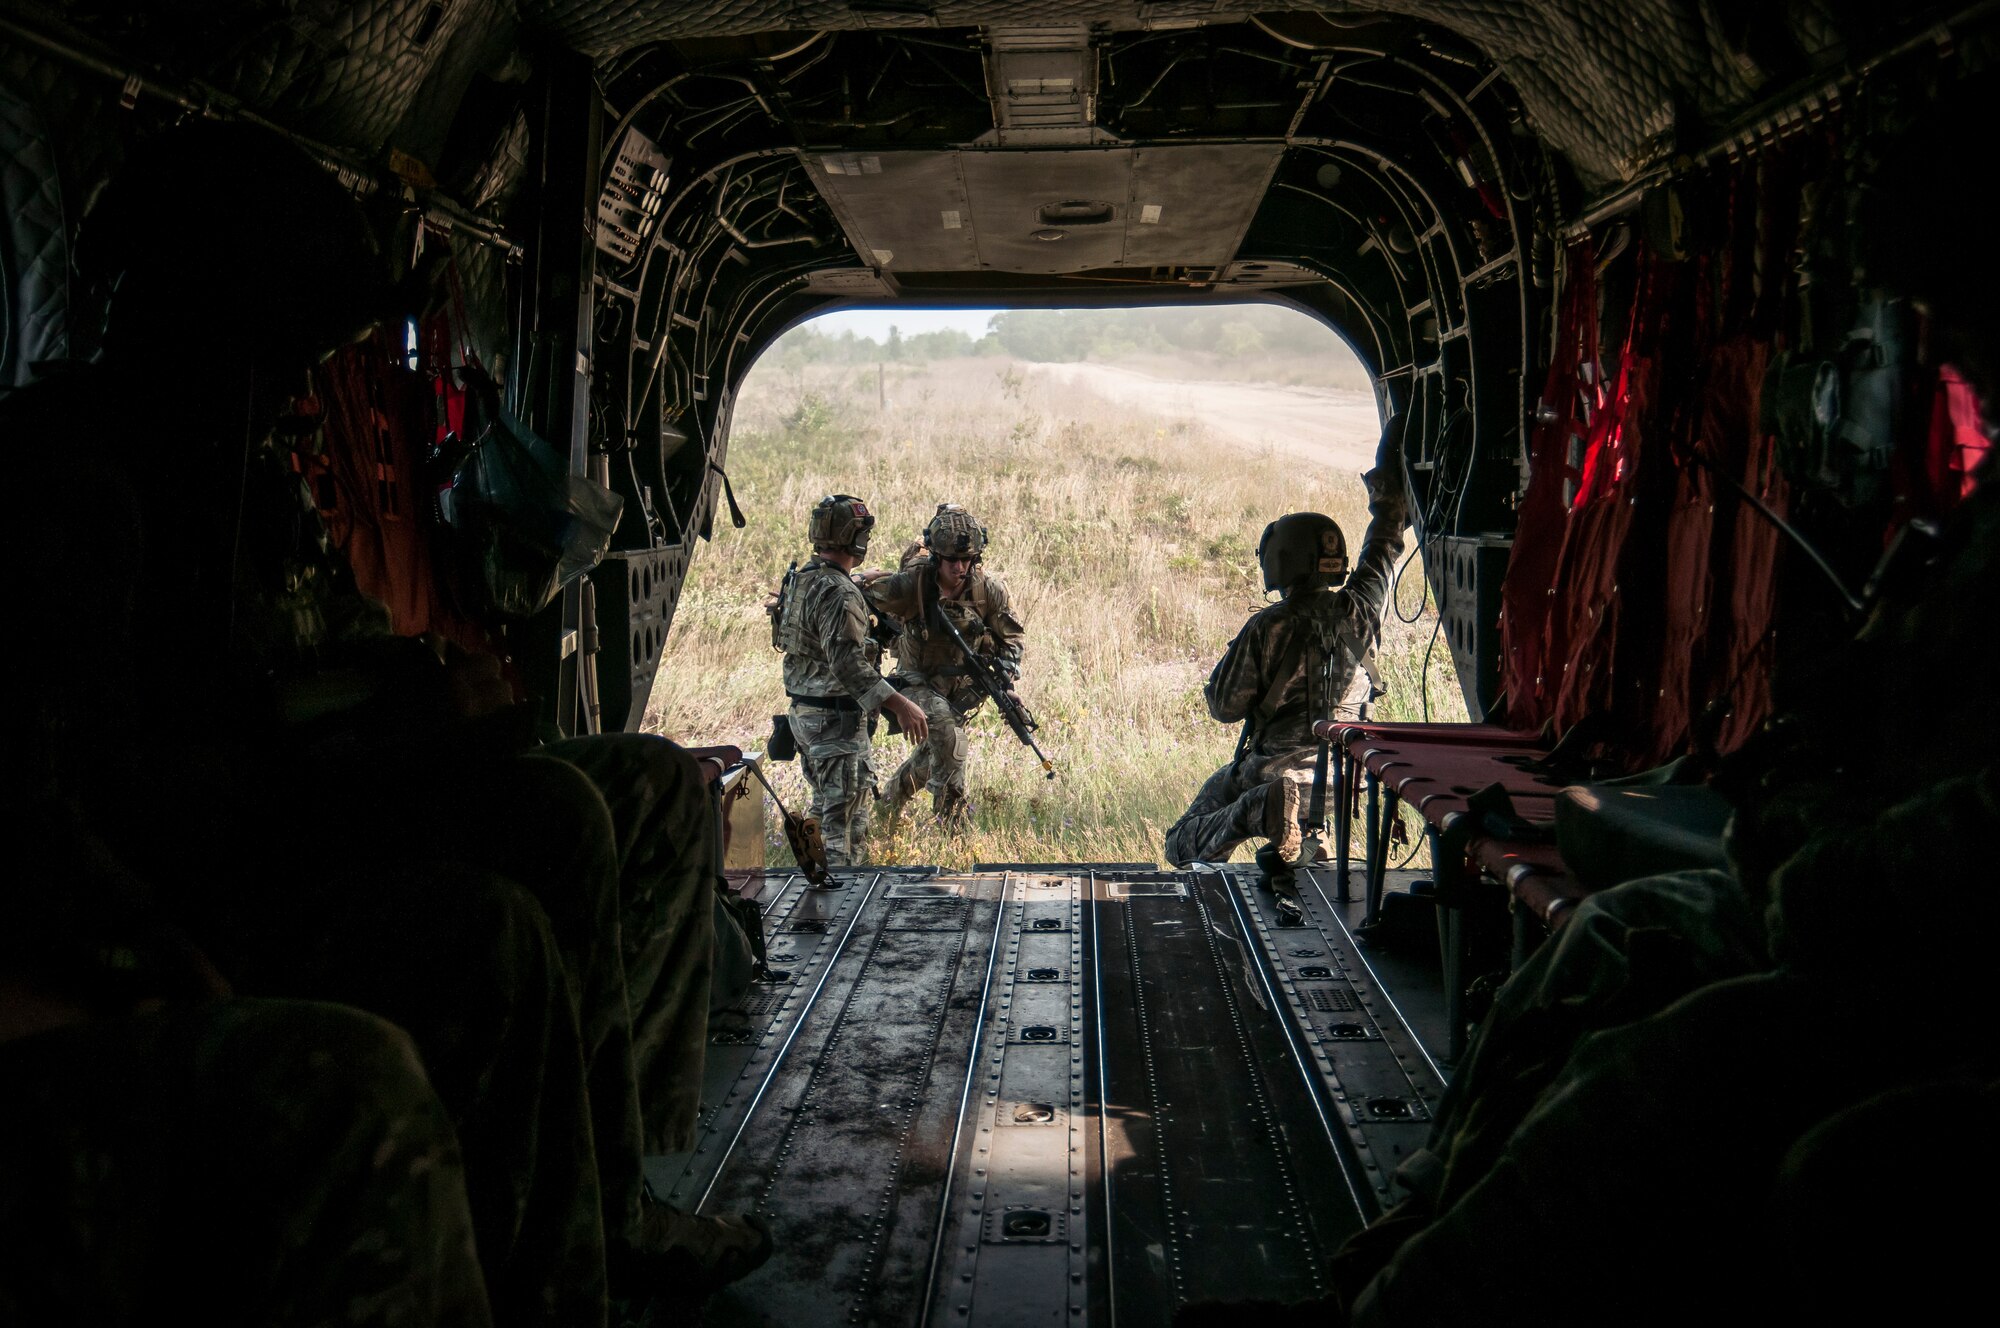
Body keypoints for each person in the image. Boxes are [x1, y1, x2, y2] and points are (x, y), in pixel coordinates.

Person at [1, 118, 763, 1325]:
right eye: (278, 353)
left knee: (602, 794)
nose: (294, 387)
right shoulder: (69, 489)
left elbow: (301, 656)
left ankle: (613, 1201)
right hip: (211, 872)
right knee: (494, 918)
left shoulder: (238, 473)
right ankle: (566, 1276)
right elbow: (85, 795)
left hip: (287, 814)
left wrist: (419, 692)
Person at [1164, 428, 1409, 880]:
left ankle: (1260, 809)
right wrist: (1389, 493)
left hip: (1276, 772)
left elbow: (1224, 707)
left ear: (1280, 562)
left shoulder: (1268, 626)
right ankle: (1305, 846)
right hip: (1350, 776)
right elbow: (1383, 547)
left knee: (1181, 842)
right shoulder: (1363, 606)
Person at [772, 494, 929, 866]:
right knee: (842, 831)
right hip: (835, 725)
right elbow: (847, 663)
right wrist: (900, 703)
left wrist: (855, 581)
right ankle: (839, 911)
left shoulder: (801, 579)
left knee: (828, 811)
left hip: (806, 718)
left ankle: (820, 899)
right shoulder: (839, 592)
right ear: (854, 539)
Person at [863, 502, 1027, 825]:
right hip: (915, 682)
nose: (960, 567)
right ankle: (954, 832)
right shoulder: (914, 584)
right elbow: (859, 595)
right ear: (937, 557)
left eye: (967, 559)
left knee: (931, 756)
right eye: (952, 560)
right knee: (952, 743)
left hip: (958, 690)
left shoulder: (988, 590)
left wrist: (1006, 681)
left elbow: (1013, 638)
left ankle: (888, 807)